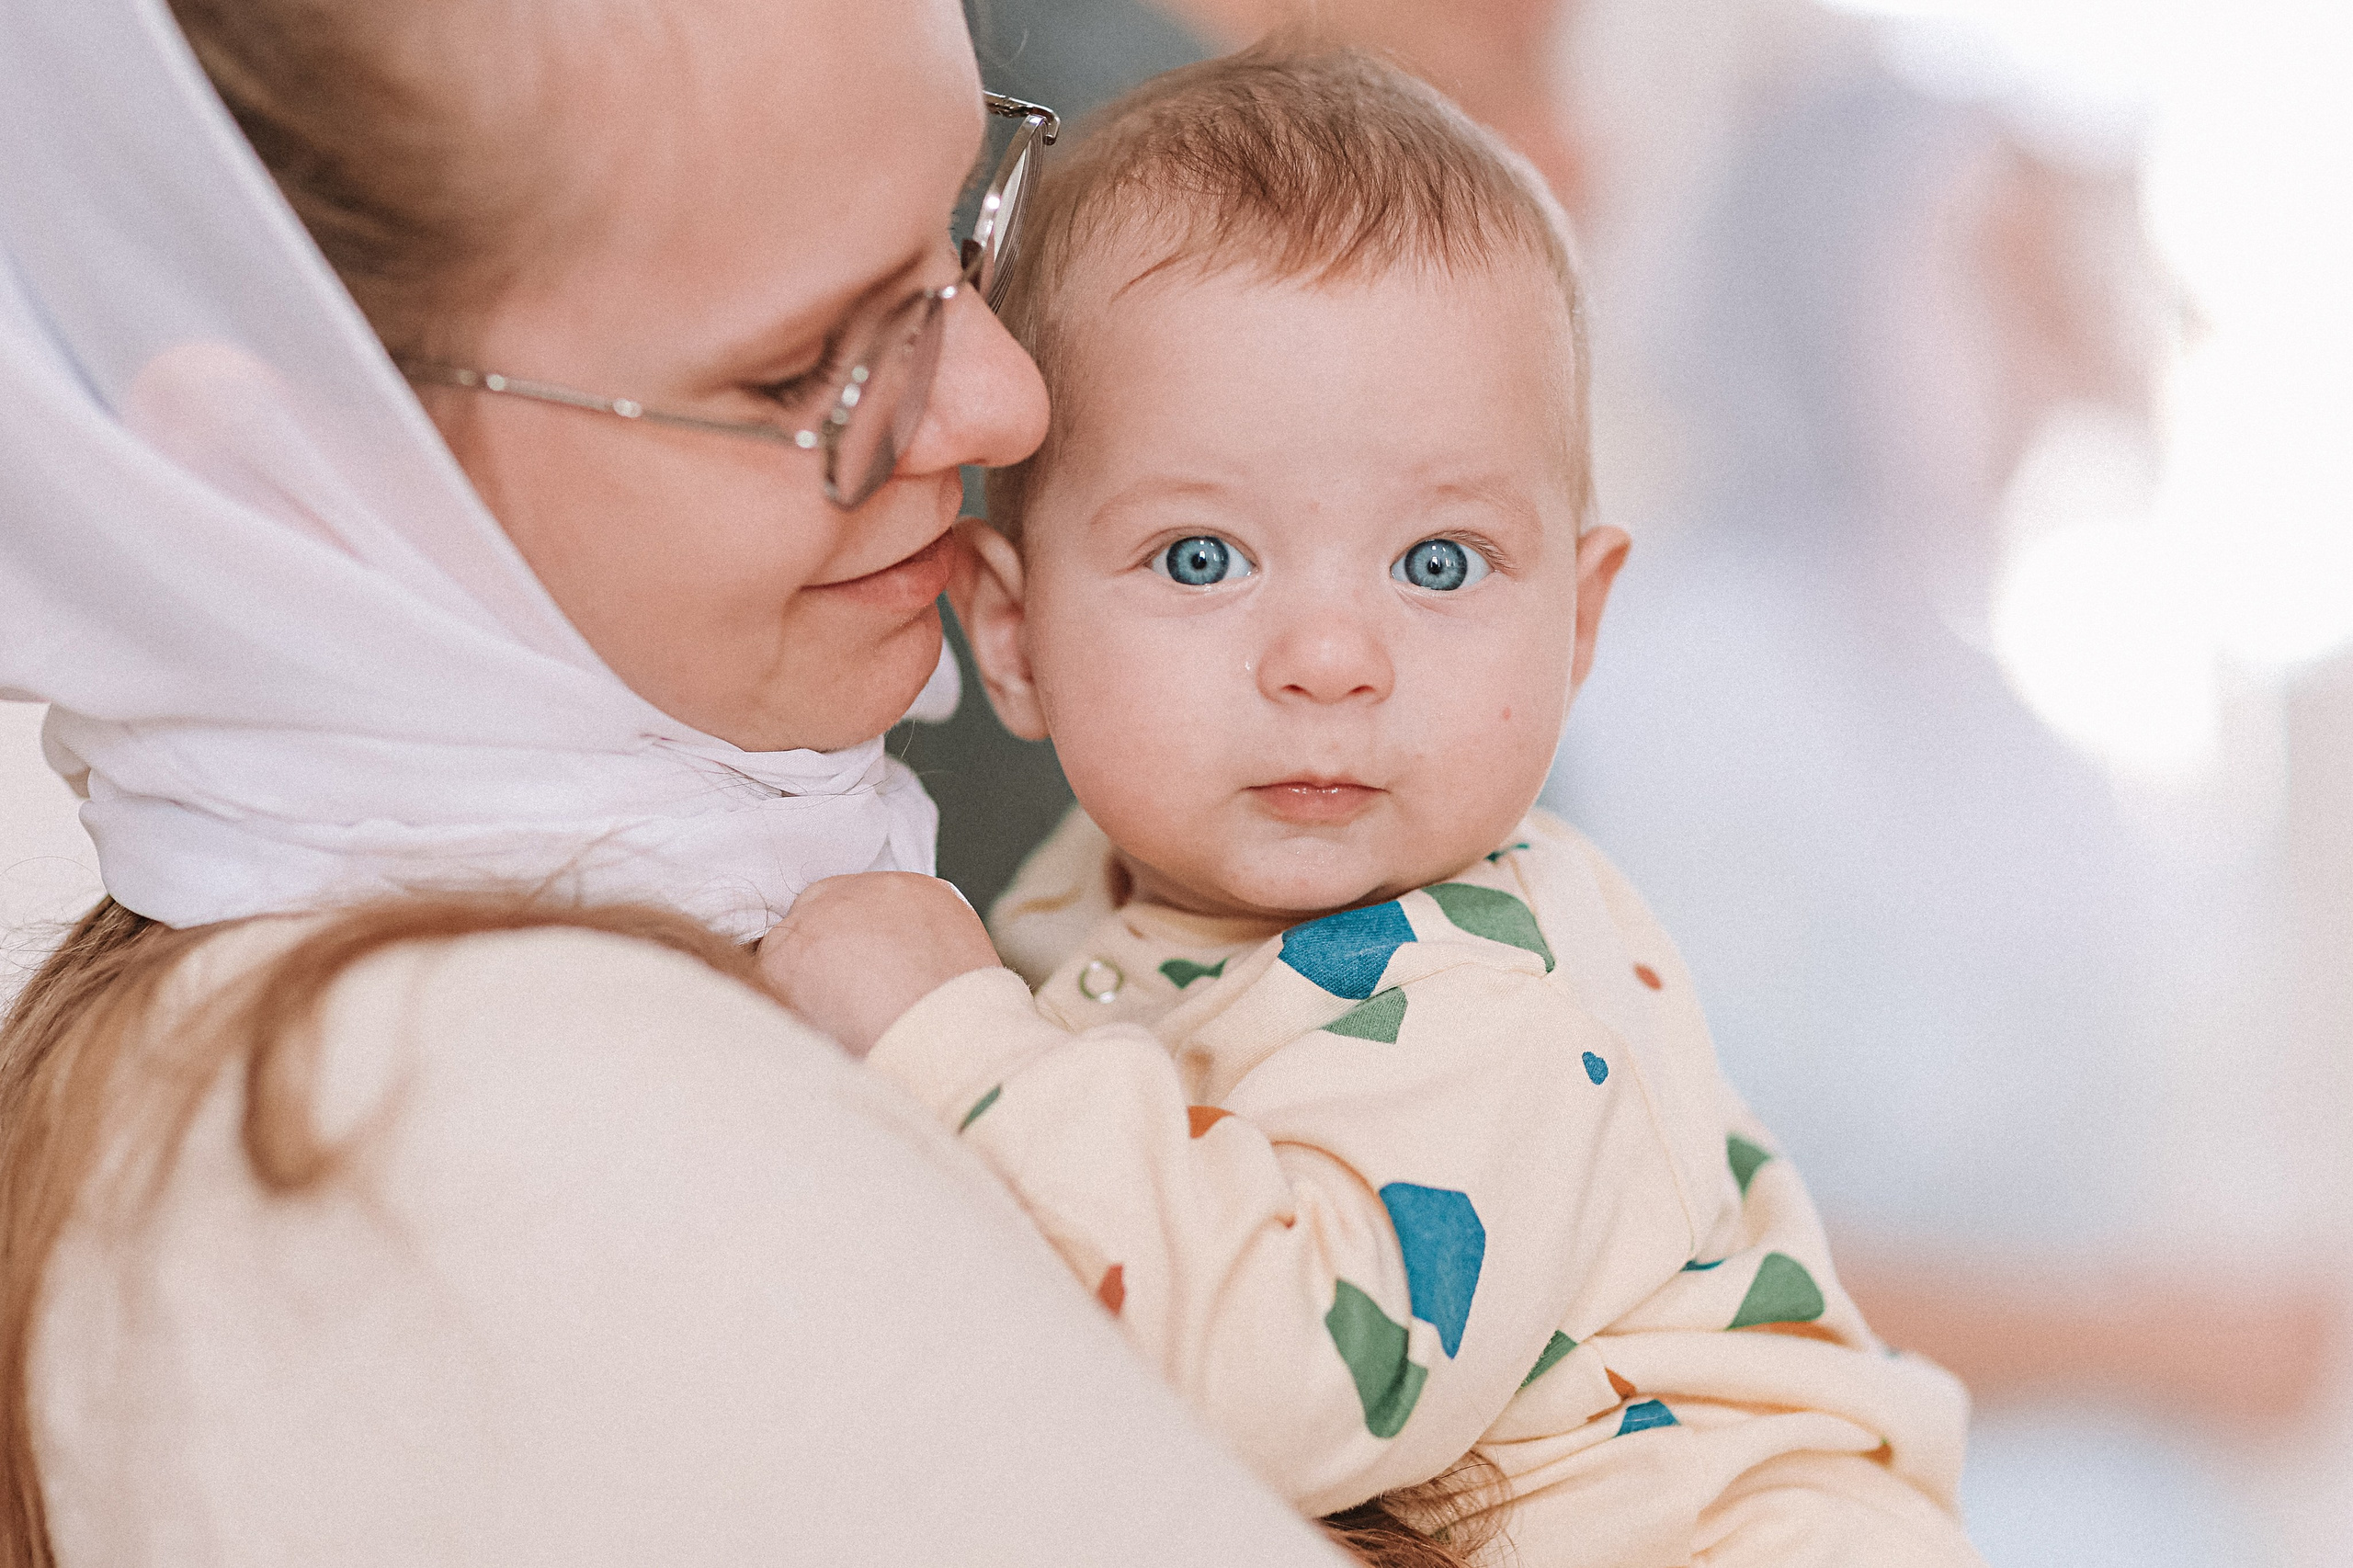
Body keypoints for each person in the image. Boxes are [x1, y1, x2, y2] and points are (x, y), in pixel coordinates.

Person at [0, 1, 1362, 1562]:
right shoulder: (504, 1120)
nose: (1006, 405)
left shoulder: (433, 1008)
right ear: (282, 465)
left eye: (957, 235)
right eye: (805, 370)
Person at [759, 48, 1984, 1567]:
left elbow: (1298, 1378)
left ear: (1579, 627)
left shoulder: (1496, 991)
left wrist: (950, 1042)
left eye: (1440, 564)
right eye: (1202, 558)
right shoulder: (1097, 897)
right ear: (1011, 633)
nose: (1332, 660)